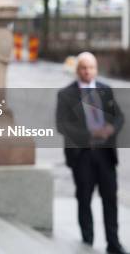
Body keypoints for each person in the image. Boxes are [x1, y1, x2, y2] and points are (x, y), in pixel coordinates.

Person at [56, 52, 126, 254]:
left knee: (110, 199)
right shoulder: (66, 94)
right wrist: (89, 134)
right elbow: (62, 125)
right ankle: (87, 240)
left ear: (96, 69)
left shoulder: (105, 90)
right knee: (84, 198)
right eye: (83, 68)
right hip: (82, 155)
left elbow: (118, 117)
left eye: (91, 67)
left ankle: (113, 243)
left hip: (105, 155)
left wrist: (111, 129)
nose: (88, 71)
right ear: (77, 70)